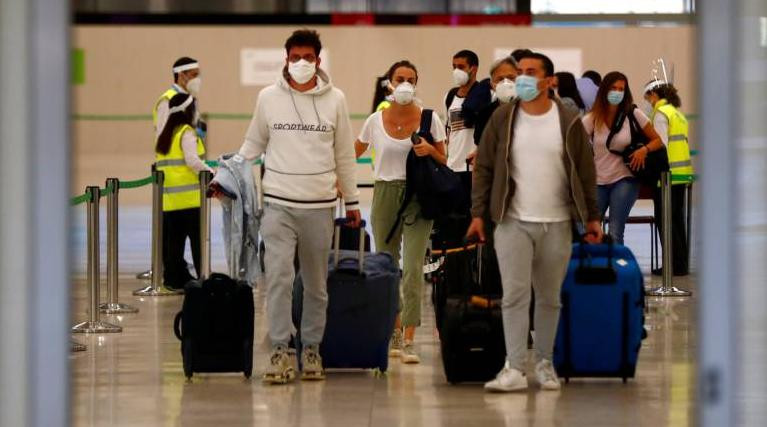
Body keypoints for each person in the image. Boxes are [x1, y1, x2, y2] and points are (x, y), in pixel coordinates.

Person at [227, 29, 361, 384]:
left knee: (316, 285)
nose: (302, 63)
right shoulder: (268, 98)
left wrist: (353, 200)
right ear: (286, 58)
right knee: (279, 281)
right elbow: (251, 145)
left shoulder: (337, 100)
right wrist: (225, 178)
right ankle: (280, 351)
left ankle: (312, 349)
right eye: (295, 56)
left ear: (319, 59)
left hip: (320, 206)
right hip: (278, 205)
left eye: (309, 57)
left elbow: (344, 154)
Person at [466, 51, 602, 392]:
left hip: (557, 223)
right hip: (512, 220)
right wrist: (478, 214)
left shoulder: (569, 120)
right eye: (519, 72)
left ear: (549, 80)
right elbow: (484, 168)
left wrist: (593, 217)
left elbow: (586, 172)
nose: (522, 78)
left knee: (549, 296)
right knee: (513, 295)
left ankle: (544, 363)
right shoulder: (503, 118)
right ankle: (513, 367)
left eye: (530, 72)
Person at [355, 60, 447, 364]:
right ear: (390, 83)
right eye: (400, 78)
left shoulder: (429, 119)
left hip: (420, 195)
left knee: (413, 266)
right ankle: (392, 332)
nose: (405, 83)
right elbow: (351, 152)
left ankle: (409, 337)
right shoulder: (374, 120)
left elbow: (444, 159)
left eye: (411, 78)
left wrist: (430, 151)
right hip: (384, 192)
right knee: (386, 264)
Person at [582, 72, 663, 244]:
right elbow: (575, 145)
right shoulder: (592, 119)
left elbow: (658, 140)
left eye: (621, 89)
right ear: (604, 90)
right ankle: (595, 266)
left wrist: (644, 150)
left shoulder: (633, 114)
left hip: (625, 177)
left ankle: (616, 268)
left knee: (615, 230)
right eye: (613, 88)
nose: (617, 92)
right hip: (598, 180)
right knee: (589, 228)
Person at [154, 93, 213, 289]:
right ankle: (203, 280)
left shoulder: (165, 134)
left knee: (174, 244)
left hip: (171, 200)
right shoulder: (186, 132)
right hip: (190, 200)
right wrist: (211, 172)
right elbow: (192, 160)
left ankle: (173, 280)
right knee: (198, 243)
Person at [644, 81, 694, 276]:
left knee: (665, 221)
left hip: (666, 175)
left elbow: (661, 145)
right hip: (681, 174)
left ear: (654, 95)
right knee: (677, 221)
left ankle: (671, 265)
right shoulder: (677, 113)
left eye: (647, 97)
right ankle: (680, 265)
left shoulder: (661, 114)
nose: (647, 102)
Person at [445, 49, 491, 172]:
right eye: (454, 67)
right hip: (452, 166)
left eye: (461, 67)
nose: (456, 71)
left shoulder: (486, 95)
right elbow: (450, 130)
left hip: (473, 166)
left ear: (473, 69)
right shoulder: (450, 96)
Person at [153, 57, 205, 141]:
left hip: (191, 153)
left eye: (198, 75)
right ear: (181, 76)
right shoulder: (167, 100)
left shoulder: (190, 99)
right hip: (174, 154)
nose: (197, 80)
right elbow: (162, 134)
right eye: (194, 75)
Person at [473, 56, 519, 146]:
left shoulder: (530, 110)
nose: (506, 82)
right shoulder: (484, 114)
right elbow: (481, 144)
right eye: (500, 79)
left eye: (511, 78)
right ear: (492, 84)